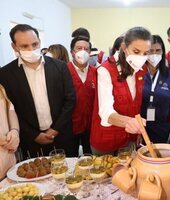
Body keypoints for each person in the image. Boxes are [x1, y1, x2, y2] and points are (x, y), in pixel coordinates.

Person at [0, 24, 76, 158]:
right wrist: (33, 135)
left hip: (62, 136)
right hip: (31, 141)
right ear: (14, 46)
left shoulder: (60, 67)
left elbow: (70, 100)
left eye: (35, 44)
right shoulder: (6, 74)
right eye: (24, 46)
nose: (31, 49)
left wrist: (55, 129)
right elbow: (11, 109)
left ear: (40, 42)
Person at [90, 27, 151, 155]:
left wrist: (136, 130)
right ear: (124, 47)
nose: (141, 57)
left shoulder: (141, 69)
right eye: (136, 51)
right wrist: (130, 122)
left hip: (129, 138)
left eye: (146, 53)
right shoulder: (105, 70)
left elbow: (136, 104)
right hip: (106, 138)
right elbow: (105, 112)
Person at [141, 35, 170, 144]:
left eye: (158, 51)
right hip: (139, 127)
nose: (154, 54)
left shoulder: (169, 75)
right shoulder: (137, 73)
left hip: (162, 127)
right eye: (150, 51)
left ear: (162, 52)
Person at [67, 36, 96, 156]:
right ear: (72, 51)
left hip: (91, 125)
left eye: (86, 49)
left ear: (90, 52)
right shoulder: (63, 71)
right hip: (70, 125)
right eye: (79, 48)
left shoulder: (96, 72)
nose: (83, 51)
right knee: (71, 158)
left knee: (90, 158)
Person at [0, 84, 19, 180]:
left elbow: (10, 109)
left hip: (9, 165)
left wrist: (15, 131)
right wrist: (6, 141)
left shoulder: (1, 88)